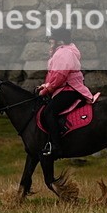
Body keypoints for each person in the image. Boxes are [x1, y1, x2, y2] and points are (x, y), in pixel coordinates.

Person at [36, 28, 93, 157]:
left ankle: (56, 146)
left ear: (59, 41)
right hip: (66, 87)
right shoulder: (63, 52)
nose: (50, 41)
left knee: (49, 112)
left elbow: (60, 76)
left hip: (69, 89)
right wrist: (45, 85)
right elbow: (54, 76)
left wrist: (46, 90)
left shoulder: (63, 53)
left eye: (52, 39)